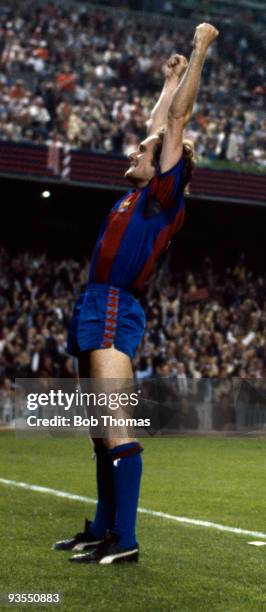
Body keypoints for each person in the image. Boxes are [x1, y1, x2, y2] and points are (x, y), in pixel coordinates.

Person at [53, 23, 219, 564]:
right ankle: (103, 529)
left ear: (167, 164)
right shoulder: (143, 187)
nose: (136, 148)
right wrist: (167, 81)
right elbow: (159, 120)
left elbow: (173, 124)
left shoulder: (164, 194)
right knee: (101, 430)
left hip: (115, 306)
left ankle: (125, 541)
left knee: (115, 425)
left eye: (145, 150)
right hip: (95, 304)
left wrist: (198, 50)